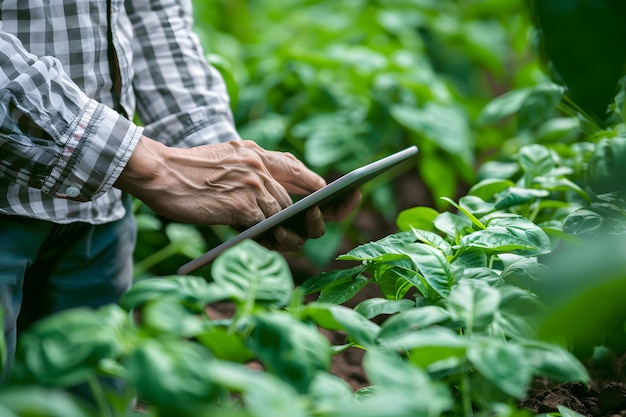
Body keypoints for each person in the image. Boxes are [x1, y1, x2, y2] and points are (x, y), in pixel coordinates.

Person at [0, 0, 359, 377]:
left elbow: (154, 13)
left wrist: (213, 155)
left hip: (105, 213)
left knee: (92, 397)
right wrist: (154, 168)